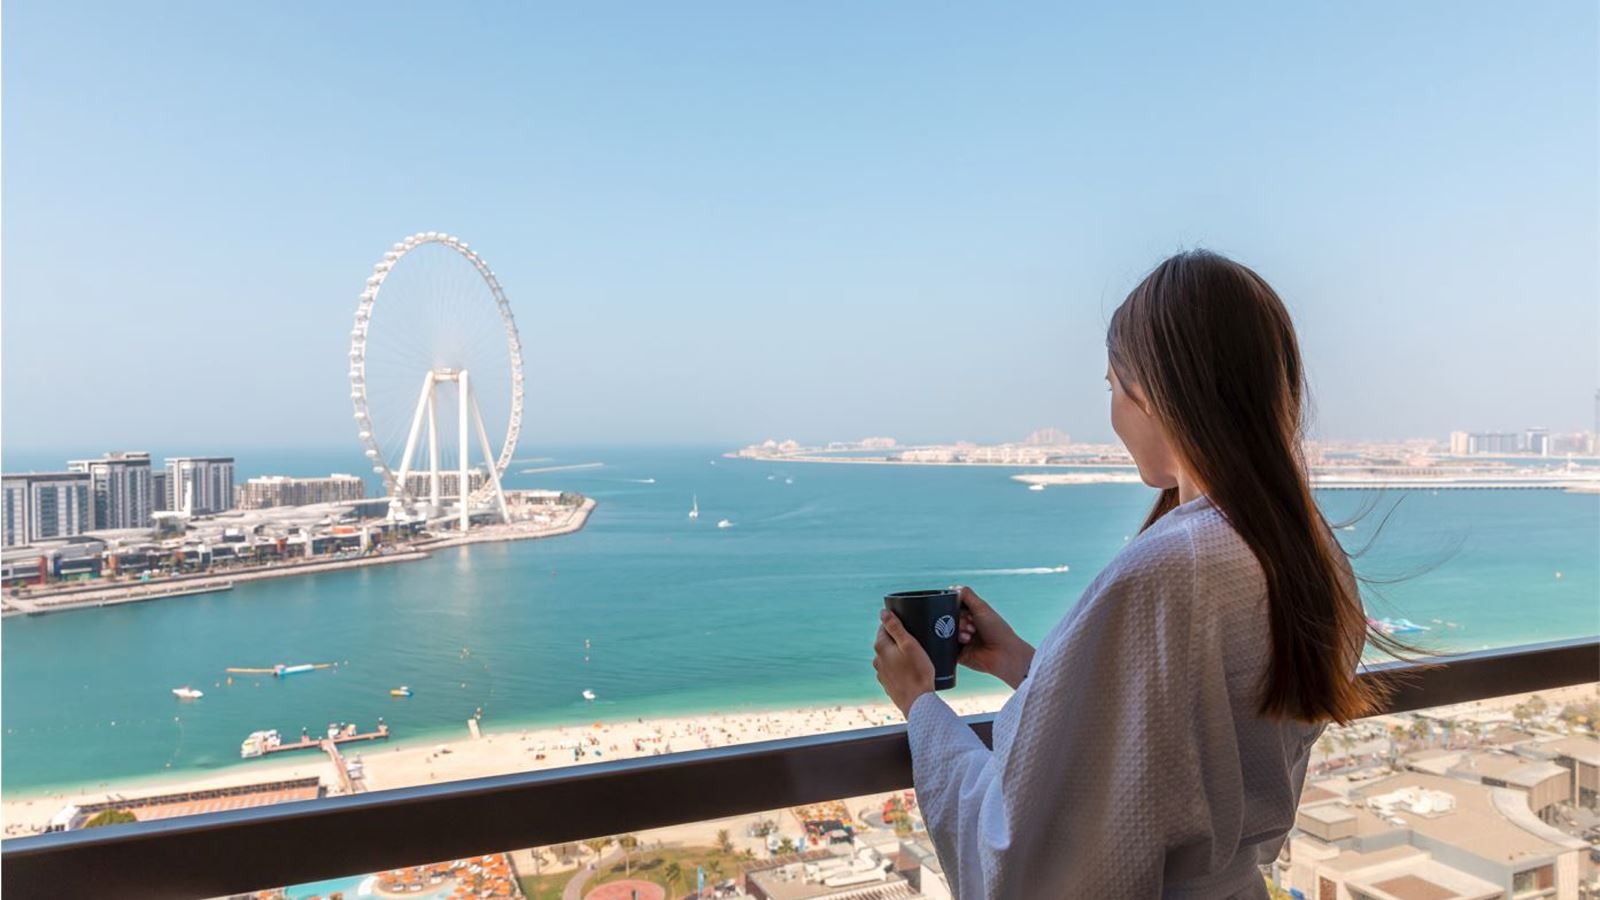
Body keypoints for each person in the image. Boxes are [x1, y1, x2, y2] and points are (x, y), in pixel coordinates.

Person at [873, 250, 1397, 898]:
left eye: (1114, 387)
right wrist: (1025, 666)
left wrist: (920, 705)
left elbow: (1030, 857)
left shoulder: (1169, 571)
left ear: (1159, 395)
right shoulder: (1304, 548)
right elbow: (1179, 728)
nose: (1114, 411)